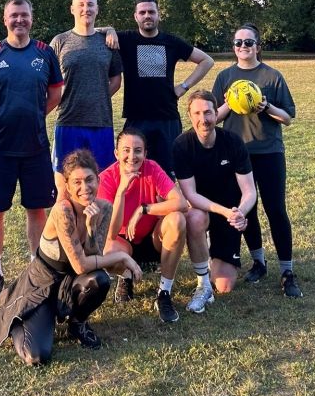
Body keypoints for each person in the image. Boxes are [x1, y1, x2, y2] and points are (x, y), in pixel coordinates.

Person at [0, 149, 143, 365]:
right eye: (77, 182)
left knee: (99, 279)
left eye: (90, 179)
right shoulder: (62, 211)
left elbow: (93, 261)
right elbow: (82, 264)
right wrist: (122, 257)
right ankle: (13, 312)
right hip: (42, 284)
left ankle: (77, 323)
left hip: (71, 281)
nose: (85, 188)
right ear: (67, 185)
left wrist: (91, 230)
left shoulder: (104, 208)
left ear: (98, 179)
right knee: (36, 357)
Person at [0, 0, 63, 304]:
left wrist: (33, 116)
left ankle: (39, 269)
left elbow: (54, 94)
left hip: (34, 146)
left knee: (36, 209)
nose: (19, 20)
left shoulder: (45, 53)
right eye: (13, 16)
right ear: (4, 19)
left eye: (24, 15)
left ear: (32, 19)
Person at [213, 23, 303, 298]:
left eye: (249, 42)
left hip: (269, 152)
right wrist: (228, 104)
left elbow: (287, 118)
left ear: (258, 46)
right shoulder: (225, 76)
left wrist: (267, 107)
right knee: (245, 210)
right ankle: (259, 262)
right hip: (237, 154)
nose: (243, 47)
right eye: (238, 43)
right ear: (233, 47)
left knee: (275, 210)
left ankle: (287, 271)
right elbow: (212, 117)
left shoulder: (272, 76)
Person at [101, 0, 214, 175]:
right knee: (133, 172)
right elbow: (93, 30)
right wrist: (109, 29)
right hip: (136, 118)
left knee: (166, 174)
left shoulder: (172, 42)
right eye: (142, 12)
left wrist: (184, 86)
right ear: (135, 16)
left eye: (151, 12)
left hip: (167, 118)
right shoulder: (126, 39)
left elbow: (206, 61)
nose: (147, 16)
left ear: (159, 15)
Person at [172, 91, 257, 313]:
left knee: (225, 286)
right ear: (190, 116)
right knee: (196, 218)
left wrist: (240, 212)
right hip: (205, 209)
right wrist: (224, 212)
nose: (204, 119)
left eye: (208, 112)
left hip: (229, 211)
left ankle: (214, 254)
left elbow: (249, 191)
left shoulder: (233, 142)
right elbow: (190, 195)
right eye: (197, 113)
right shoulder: (181, 145)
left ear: (216, 113)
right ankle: (203, 281)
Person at [97, 128, 187, 322]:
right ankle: (126, 276)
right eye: (126, 150)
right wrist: (121, 192)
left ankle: (164, 293)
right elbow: (110, 234)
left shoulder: (152, 168)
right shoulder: (105, 179)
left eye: (138, 150)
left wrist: (144, 209)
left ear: (145, 154)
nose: (132, 156)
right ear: (116, 153)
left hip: (152, 238)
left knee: (177, 220)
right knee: (106, 249)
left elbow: (180, 203)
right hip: (123, 242)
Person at [50, 0, 122, 190]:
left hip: (101, 122)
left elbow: (116, 80)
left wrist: (96, 96)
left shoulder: (108, 42)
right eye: (81, 5)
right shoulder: (59, 41)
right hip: (68, 122)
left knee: (102, 185)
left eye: (90, 4)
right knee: (66, 186)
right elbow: (48, 81)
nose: (85, 9)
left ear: (97, 9)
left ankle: (98, 222)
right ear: (72, 9)